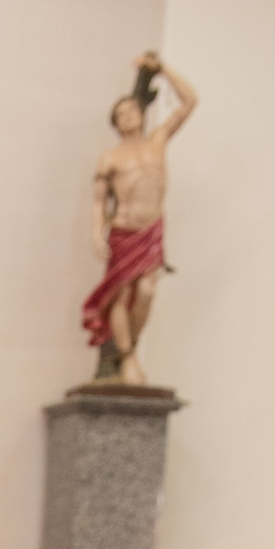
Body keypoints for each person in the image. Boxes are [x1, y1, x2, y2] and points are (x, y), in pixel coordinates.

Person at [83, 52, 198, 384]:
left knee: (146, 292)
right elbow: (98, 202)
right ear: (115, 123)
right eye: (120, 113)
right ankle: (128, 358)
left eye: (131, 109)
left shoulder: (157, 141)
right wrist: (95, 234)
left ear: (141, 113)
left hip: (150, 230)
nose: (128, 115)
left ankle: (127, 348)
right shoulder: (110, 157)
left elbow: (190, 101)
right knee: (121, 294)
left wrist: (162, 70)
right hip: (123, 229)